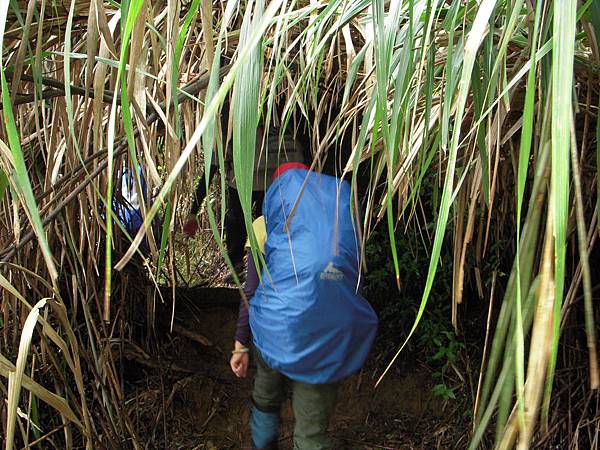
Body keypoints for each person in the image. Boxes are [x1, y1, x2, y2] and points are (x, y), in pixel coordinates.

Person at [230, 161, 378, 450]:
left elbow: (250, 290)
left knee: (266, 393)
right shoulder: (337, 224)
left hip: (275, 330)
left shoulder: (262, 225)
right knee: (312, 433)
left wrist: (240, 344)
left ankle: (264, 445)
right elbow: (352, 281)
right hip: (327, 335)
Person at [183, 128, 305, 274]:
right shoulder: (284, 127)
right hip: (274, 179)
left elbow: (212, 167)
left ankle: (241, 265)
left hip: (254, 179)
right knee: (263, 224)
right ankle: (263, 266)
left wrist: (193, 212)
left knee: (239, 221)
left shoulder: (231, 126)